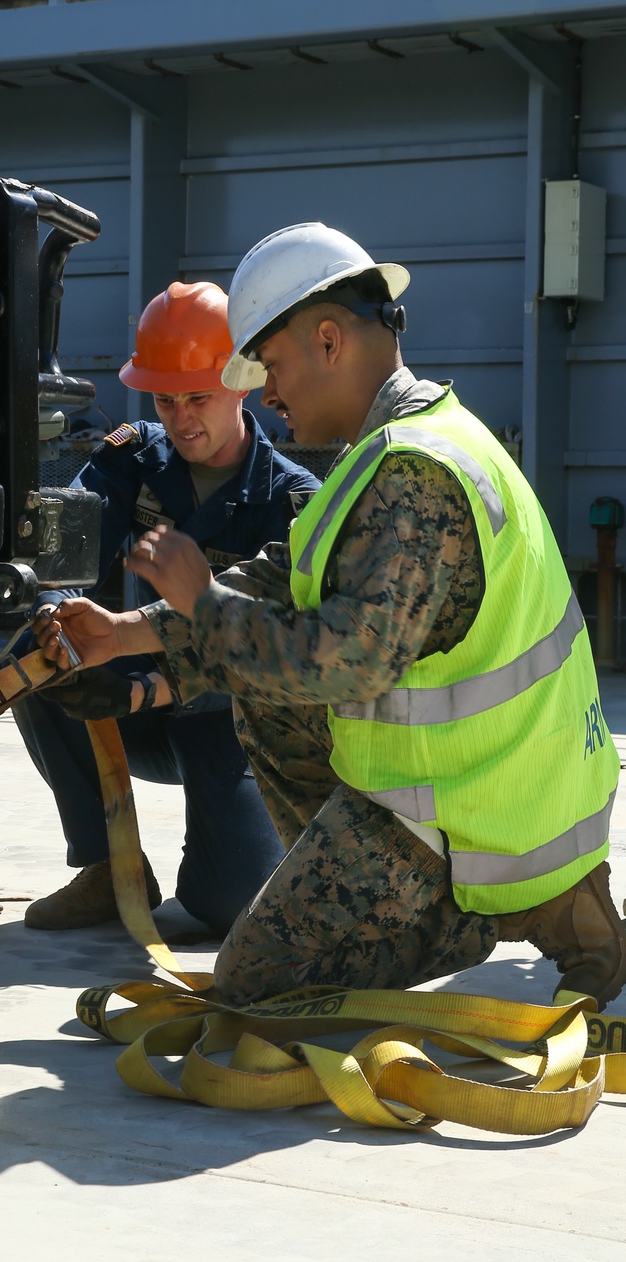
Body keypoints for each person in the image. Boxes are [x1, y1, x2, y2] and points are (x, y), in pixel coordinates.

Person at [36, 223, 626, 1011]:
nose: (269, 393)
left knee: (257, 985)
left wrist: (201, 602)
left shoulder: (411, 475)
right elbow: (284, 583)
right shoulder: (407, 446)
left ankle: (463, 909)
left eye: (271, 366)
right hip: (496, 783)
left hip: (479, 813)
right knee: (262, 692)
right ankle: (408, 892)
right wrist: (124, 634)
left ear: (327, 340)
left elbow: (343, 663)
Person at [14, 280, 319, 933]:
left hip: (242, 725)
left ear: (242, 383)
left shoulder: (296, 503)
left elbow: (282, 655)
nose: (181, 419)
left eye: (199, 398)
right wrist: (59, 615)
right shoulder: (134, 458)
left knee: (231, 906)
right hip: (142, 703)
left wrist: (145, 686)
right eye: (165, 399)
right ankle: (107, 867)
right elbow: (63, 555)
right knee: (35, 653)